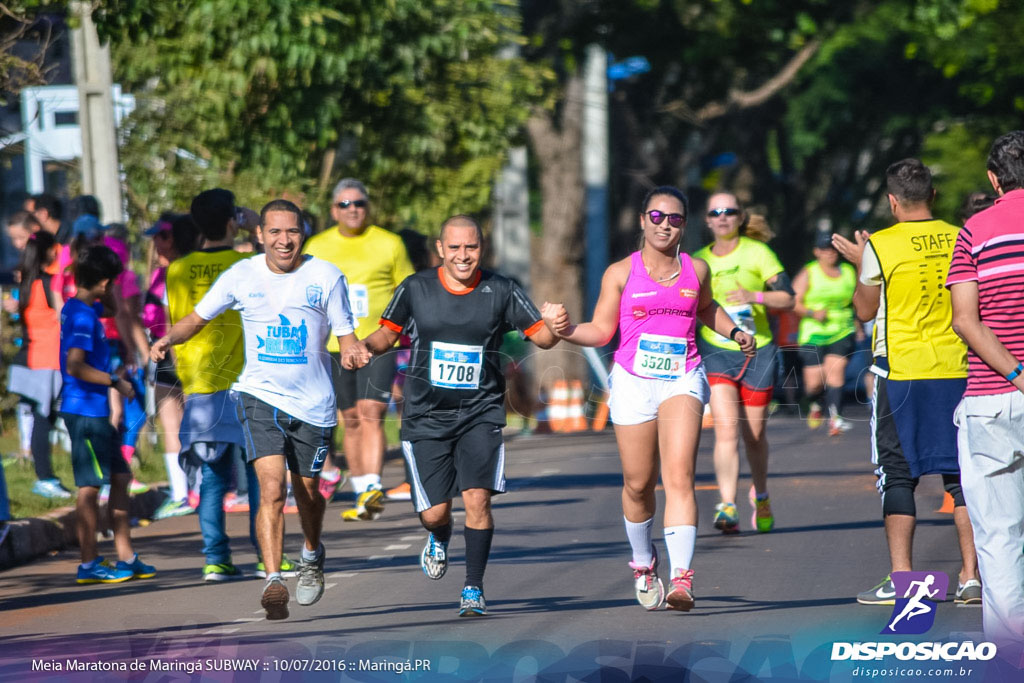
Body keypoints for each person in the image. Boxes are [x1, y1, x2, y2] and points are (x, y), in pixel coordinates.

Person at [542, 187, 755, 612]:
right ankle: (643, 562)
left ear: (684, 226)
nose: (665, 224)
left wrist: (734, 332)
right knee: (638, 484)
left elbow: (707, 308)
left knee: (679, 475)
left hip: (683, 378)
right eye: (657, 216)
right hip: (634, 382)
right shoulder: (620, 273)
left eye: (675, 219)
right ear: (642, 220)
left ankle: (682, 578)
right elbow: (601, 332)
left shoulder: (698, 269)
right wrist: (565, 330)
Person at [343, 215, 559, 617]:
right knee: (435, 512)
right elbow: (387, 334)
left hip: (481, 410)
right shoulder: (416, 288)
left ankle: (473, 588)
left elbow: (543, 338)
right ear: (440, 249)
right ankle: (439, 536)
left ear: (482, 248)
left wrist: (556, 325)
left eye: (471, 247)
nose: (464, 256)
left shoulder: (501, 289)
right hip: (425, 413)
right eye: (455, 247)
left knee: (477, 499)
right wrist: (364, 349)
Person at [154, 198, 357, 620]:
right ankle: (273, 581)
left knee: (307, 494)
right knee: (270, 489)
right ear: (259, 234)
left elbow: (346, 335)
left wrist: (354, 350)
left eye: (293, 231)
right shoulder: (241, 275)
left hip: (313, 405)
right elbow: (198, 317)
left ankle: (312, 551)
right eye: (276, 232)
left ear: (303, 233)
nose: (285, 240)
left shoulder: (325, 276)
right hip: (258, 396)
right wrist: (167, 339)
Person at [832, 158, 981, 607]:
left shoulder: (881, 244)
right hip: (959, 370)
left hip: (902, 375)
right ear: (933, 196)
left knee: (898, 475)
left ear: (892, 201)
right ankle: (972, 577)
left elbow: (863, 310)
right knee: (963, 479)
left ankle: (903, 580)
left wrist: (863, 265)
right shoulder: (962, 236)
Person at [155, 191, 267, 579]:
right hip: (247, 381)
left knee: (213, 476)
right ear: (232, 221)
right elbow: (276, 254)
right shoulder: (246, 264)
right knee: (260, 474)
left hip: (200, 384)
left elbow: (179, 323)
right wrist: (256, 223)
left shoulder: (177, 270)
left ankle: (215, 557)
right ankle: (266, 554)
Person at [947, 130, 1024, 652]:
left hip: (993, 399)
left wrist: (1018, 375)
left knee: (999, 540)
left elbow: (965, 320)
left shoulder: (974, 231)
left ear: (993, 180)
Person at [303, 179, 415, 520]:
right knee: (349, 419)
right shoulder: (318, 246)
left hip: (377, 342)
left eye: (359, 204)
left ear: (368, 206)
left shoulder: (389, 243)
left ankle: (372, 489)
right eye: (344, 204)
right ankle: (360, 489)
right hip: (334, 345)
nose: (352, 210)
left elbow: (407, 290)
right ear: (334, 210)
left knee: (371, 413)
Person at [694, 192, 795, 534]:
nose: (722, 217)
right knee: (725, 430)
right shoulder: (697, 261)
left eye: (729, 212)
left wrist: (756, 297)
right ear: (707, 220)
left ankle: (761, 494)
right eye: (715, 212)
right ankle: (727, 504)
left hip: (758, 350)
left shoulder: (758, 253)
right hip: (716, 349)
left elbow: (788, 298)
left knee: (754, 435)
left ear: (740, 217)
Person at [60, 244, 156, 584]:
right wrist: (116, 382)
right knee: (89, 486)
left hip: (97, 412)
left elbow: (114, 308)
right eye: (113, 283)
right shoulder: (84, 317)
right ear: (104, 282)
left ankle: (126, 556)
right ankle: (88, 563)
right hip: (84, 411)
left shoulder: (81, 307)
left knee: (120, 476)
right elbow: (75, 366)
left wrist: (110, 297)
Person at [6, 231, 70, 498]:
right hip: (47, 359)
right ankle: (45, 477)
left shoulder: (25, 283)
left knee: (41, 418)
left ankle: (44, 476)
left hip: (30, 359)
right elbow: (63, 315)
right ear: (46, 252)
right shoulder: (48, 283)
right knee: (44, 419)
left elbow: (13, 308)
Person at [142, 215, 192, 520]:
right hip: (167, 351)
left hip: (174, 353)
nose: (156, 244)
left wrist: (174, 355)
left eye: (160, 238)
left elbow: (171, 316)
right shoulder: (162, 273)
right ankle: (185, 490)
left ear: (172, 239)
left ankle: (183, 493)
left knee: (176, 423)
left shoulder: (175, 272)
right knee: (175, 423)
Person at [792, 231, 857, 435]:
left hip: (842, 329)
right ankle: (814, 403)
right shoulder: (809, 272)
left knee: (835, 372)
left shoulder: (848, 271)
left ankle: (835, 419)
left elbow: (857, 300)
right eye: (825, 250)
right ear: (817, 252)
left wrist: (859, 324)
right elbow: (792, 301)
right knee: (814, 382)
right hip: (814, 332)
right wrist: (812, 312)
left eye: (833, 250)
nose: (830, 254)